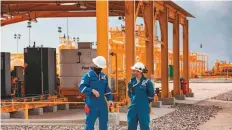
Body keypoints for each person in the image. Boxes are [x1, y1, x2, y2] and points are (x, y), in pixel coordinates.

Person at [78, 56, 113, 130]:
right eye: (99, 67)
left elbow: (107, 89)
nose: (100, 69)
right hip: (91, 104)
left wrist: (110, 99)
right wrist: (92, 90)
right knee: (90, 124)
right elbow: (81, 87)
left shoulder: (104, 76)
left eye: (101, 67)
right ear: (95, 65)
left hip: (102, 104)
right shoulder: (88, 76)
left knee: (104, 124)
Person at [127, 62, 155, 130]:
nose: (133, 72)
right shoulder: (131, 82)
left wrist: (144, 103)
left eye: (134, 70)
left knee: (144, 126)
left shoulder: (148, 83)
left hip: (143, 108)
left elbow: (151, 96)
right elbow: (129, 93)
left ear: (139, 71)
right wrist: (134, 100)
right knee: (131, 126)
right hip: (133, 108)